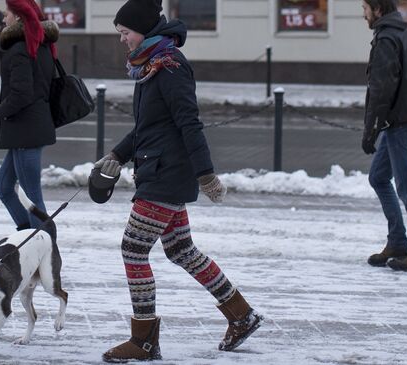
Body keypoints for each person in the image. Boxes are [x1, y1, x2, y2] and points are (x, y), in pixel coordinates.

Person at [99, 0, 262, 362]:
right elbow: (150, 126)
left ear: (142, 30)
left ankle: (143, 340)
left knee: (133, 250)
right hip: (160, 170)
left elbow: (189, 123)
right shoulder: (150, 64)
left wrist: (206, 175)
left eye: (125, 33)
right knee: (181, 250)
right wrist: (117, 155)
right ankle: (241, 314)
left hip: (166, 175)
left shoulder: (169, 66)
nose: (123, 40)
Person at [361, 0, 407, 272]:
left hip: (400, 122)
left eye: (365, 8)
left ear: (378, 9)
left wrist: (370, 130)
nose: (363, 14)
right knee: (379, 177)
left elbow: (380, 90)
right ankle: (397, 242)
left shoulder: (386, 39)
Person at [0, 0, 59, 230]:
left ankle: (44, 244)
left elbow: (21, 93)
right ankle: (28, 236)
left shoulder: (21, 49)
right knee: (3, 188)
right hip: (28, 128)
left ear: (18, 17)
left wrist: (2, 109)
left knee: (32, 197)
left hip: (25, 130)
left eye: (6, 14)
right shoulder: (40, 45)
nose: (3, 19)